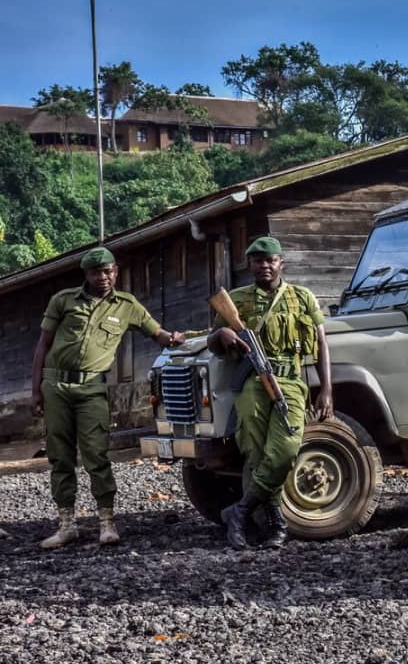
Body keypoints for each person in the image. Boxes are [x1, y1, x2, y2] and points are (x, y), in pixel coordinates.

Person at [31, 246, 185, 549]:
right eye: (97, 272)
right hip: (56, 387)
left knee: (96, 455)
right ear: (86, 275)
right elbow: (42, 345)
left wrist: (175, 339)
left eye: (109, 271)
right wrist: (36, 390)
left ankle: (107, 523)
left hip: (92, 389)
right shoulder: (63, 300)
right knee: (60, 456)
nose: (104, 277)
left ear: (116, 271)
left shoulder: (127, 306)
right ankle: (66, 526)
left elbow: (158, 334)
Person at [208, 236, 333, 550]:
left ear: (281, 263)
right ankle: (277, 526)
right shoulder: (236, 299)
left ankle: (239, 512)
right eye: (258, 261)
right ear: (250, 265)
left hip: (290, 381)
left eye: (270, 260)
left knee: (287, 448)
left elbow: (320, 344)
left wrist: (326, 388)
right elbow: (212, 343)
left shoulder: (302, 297)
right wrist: (223, 333)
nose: (264, 265)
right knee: (256, 453)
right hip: (251, 381)